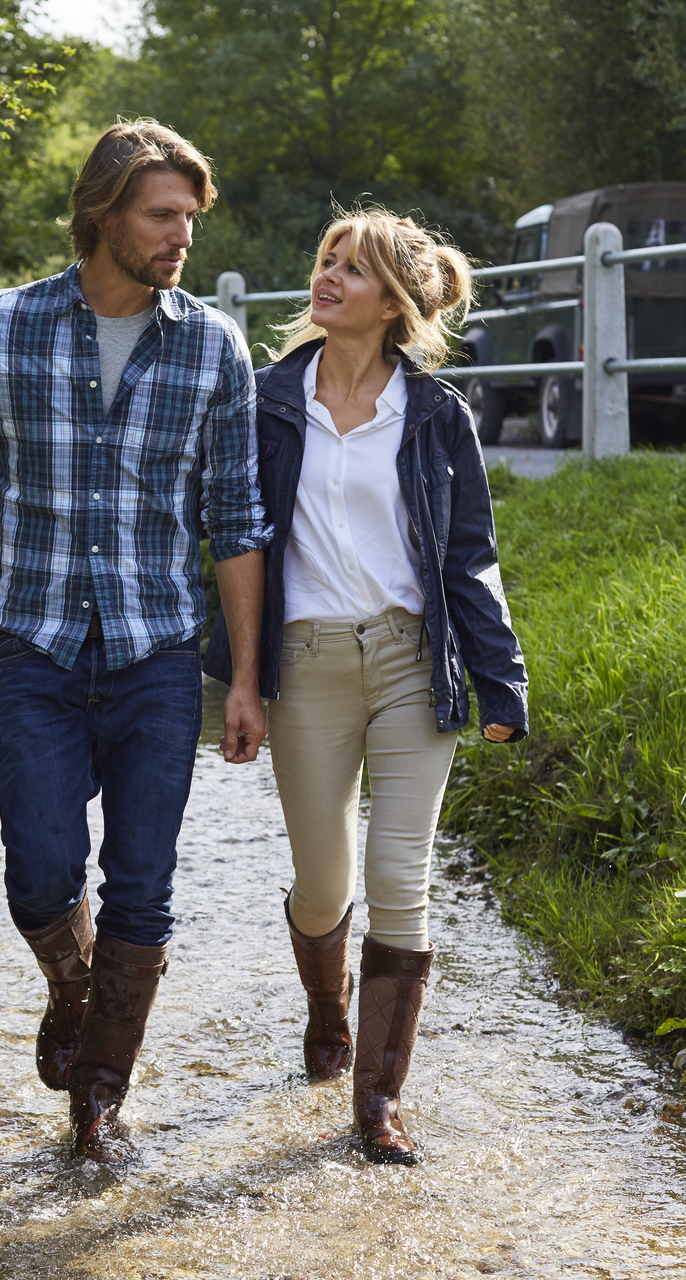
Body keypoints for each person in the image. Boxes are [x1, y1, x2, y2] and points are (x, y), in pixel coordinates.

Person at [0, 120, 271, 1163]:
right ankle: (80, 992)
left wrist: (245, 678)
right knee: (40, 878)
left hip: (158, 653)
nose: (181, 234)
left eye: (189, 214)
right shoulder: (6, 328)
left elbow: (236, 517)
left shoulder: (215, 346)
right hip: (37, 647)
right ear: (102, 215)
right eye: (160, 213)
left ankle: (96, 1096)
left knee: (143, 884)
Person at [203, 207, 529, 1165]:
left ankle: (378, 1100)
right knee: (323, 883)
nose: (327, 278)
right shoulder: (264, 403)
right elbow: (234, 542)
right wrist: (240, 680)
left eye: (350, 269)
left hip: (407, 659)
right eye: (325, 262)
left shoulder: (434, 415)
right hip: (303, 666)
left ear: (394, 302)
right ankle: (327, 1008)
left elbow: (470, 556)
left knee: (399, 876)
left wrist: (499, 681)